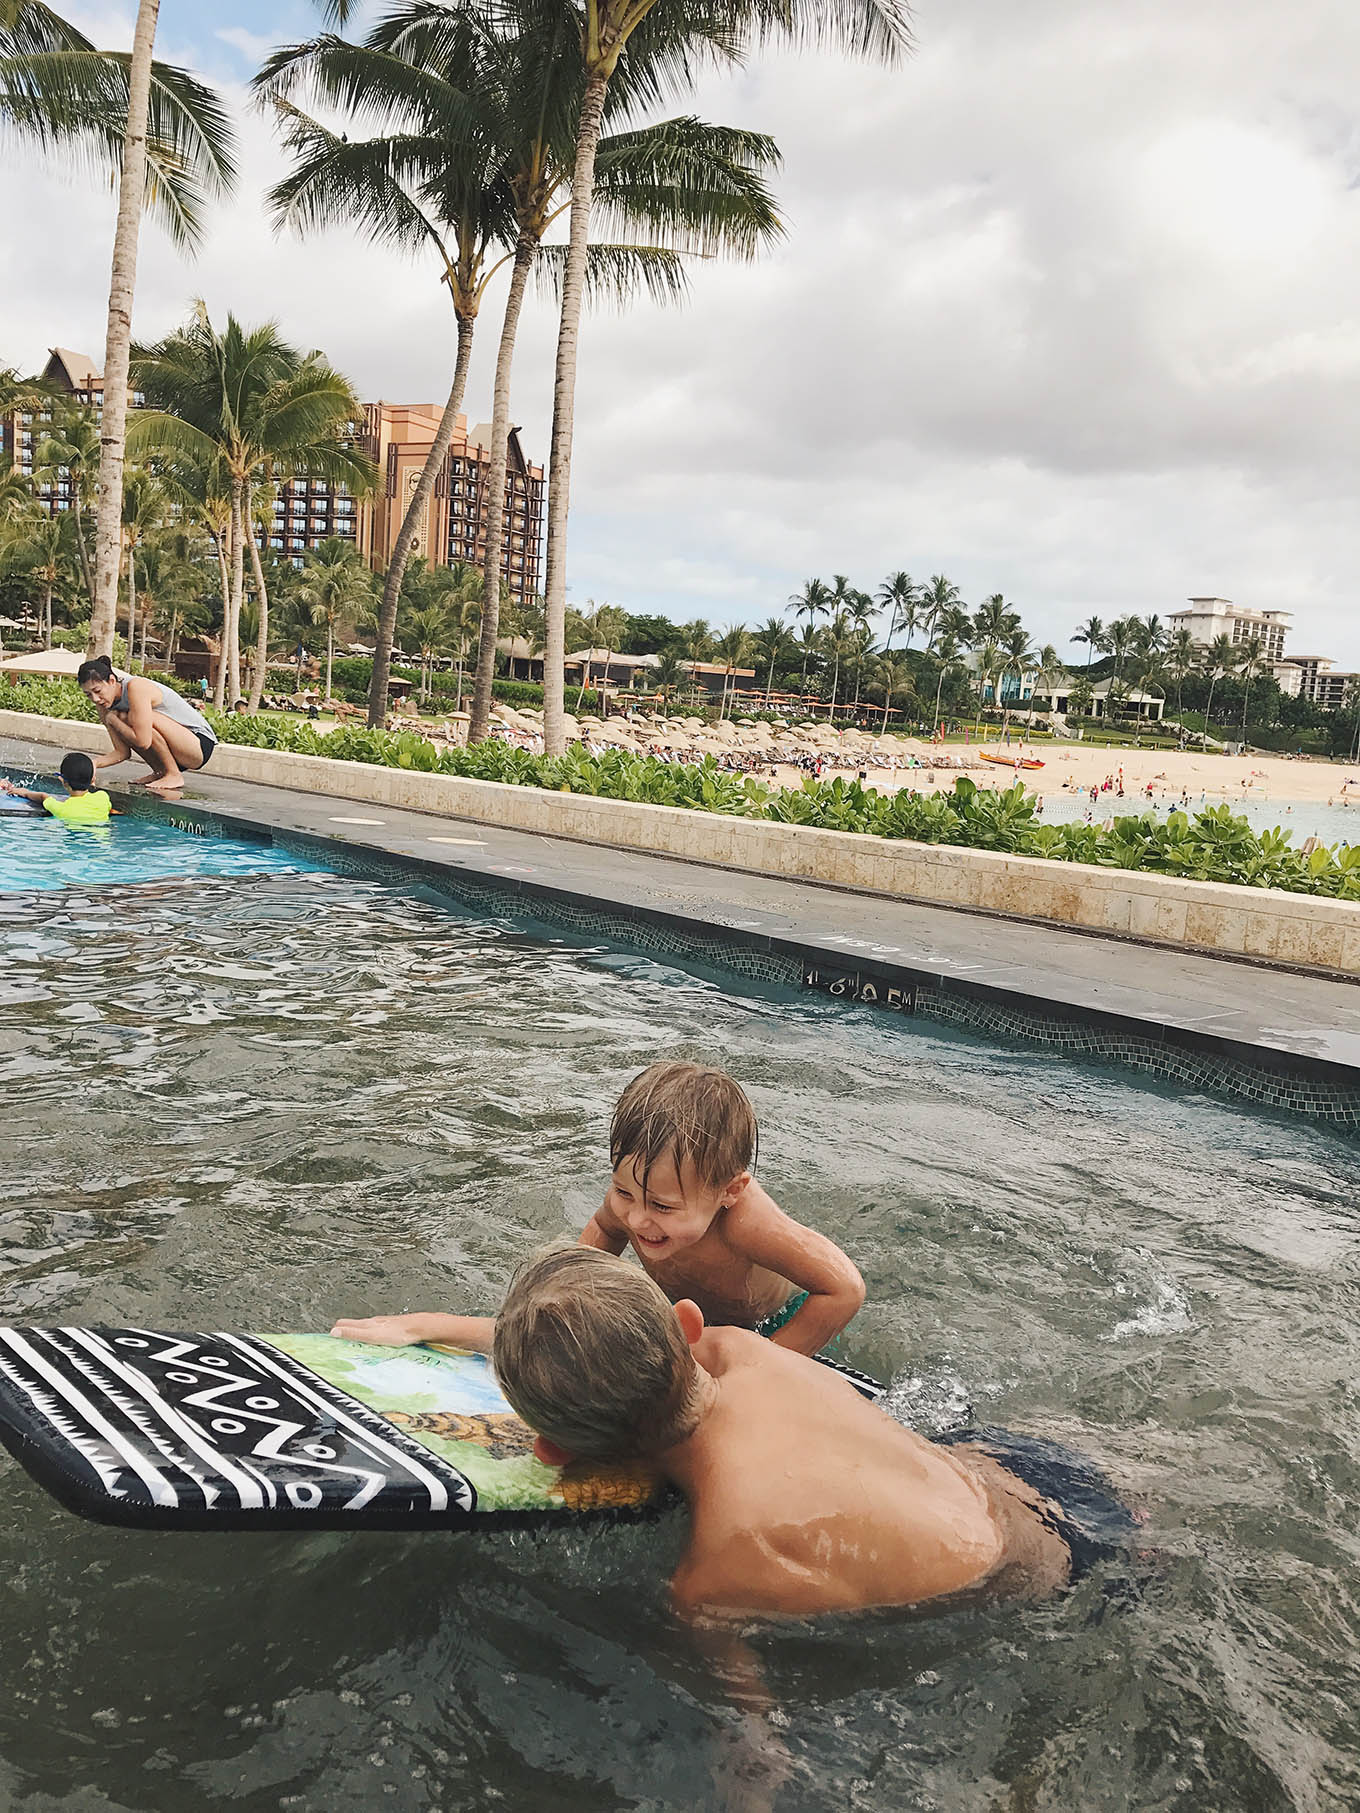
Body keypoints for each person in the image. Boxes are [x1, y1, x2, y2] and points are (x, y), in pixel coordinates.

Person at [494, 1248, 1133, 1617]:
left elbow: (755, 1740)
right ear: (688, 1325)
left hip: (1030, 1579)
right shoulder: (741, 1350)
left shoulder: (713, 1570)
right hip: (1024, 1469)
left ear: (556, 1451)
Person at [333, 1061, 865, 1359]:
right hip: (681, 1317)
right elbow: (565, 1295)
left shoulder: (748, 1223)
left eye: (661, 1205)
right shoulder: (631, 1209)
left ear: (730, 1190)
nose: (635, 1220)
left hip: (769, 1326)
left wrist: (767, 1365)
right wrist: (510, 1324)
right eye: (623, 1192)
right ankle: (429, 1324)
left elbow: (843, 1289)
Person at [77, 655, 217, 795]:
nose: (95, 699)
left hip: (198, 744)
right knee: (124, 718)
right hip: (177, 750)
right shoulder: (103, 705)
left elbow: (143, 741)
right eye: (88, 695)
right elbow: (122, 752)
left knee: (132, 719)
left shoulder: (136, 687)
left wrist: (113, 721)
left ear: (112, 681)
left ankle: (173, 774)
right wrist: (94, 764)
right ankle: (160, 772)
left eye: (97, 691)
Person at [0, 751, 111, 824]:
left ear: (63, 781)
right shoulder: (103, 797)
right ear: (92, 780)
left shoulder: (61, 809)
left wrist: (24, 792)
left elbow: (43, 796)